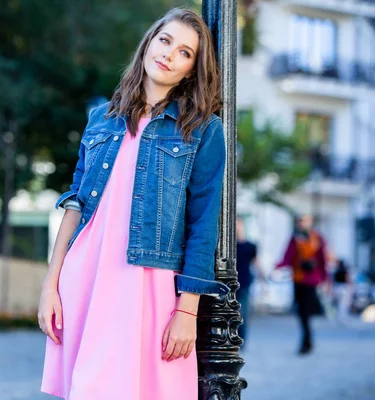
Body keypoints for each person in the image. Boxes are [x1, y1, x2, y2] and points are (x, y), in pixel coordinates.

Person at [38, 8, 228, 399]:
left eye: (184, 52)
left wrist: (187, 309)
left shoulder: (203, 129)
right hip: (86, 275)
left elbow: (204, 222)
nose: (169, 54)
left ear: (191, 70)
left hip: (149, 281)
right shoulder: (101, 119)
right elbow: (76, 204)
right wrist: (51, 282)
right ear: (149, 43)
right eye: (165, 40)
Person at [276, 215, 329, 355]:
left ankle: (307, 341)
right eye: (300, 221)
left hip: (311, 280)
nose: (302, 223)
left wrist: (325, 279)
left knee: (306, 312)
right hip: (298, 278)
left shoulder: (317, 238)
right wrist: (278, 266)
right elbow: (288, 256)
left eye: (304, 221)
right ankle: (307, 340)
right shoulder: (295, 239)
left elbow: (323, 259)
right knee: (302, 312)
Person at [235, 217, 261, 347]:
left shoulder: (250, 246)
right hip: (229, 282)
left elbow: (256, 262)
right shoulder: (229, 247)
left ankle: (241, 340)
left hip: (244, 281)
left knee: (243, 312)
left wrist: (263, 276)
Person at [332, 259, 353, 324]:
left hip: (337, 288)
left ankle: (339, 317)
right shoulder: (345, 271)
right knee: (343, 304)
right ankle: (343, 318)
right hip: (344, 288)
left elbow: (333, 280)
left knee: (338, 304)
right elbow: (348, 280)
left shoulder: (336, 271)